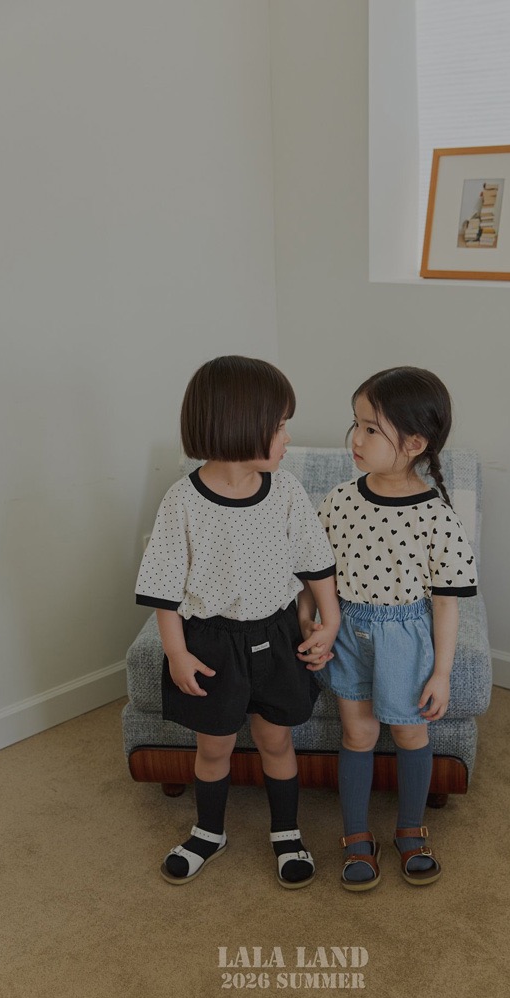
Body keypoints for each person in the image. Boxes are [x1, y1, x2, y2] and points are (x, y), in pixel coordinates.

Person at [135, 355, 340, 889]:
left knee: (276, 741)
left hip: (277, 637)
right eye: (280, 426)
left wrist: (330, 620)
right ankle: (208, 831)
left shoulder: (286, 491)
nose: (288, 438)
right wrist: (177, 653)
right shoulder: (182, 501)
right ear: (239, 425)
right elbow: (163, 588)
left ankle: (287, 833)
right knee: (213, 748)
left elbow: (316, 562)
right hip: (211, 644)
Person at [301, 367, 477, 891]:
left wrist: (441, 673)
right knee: (357, 733)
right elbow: (315, 574)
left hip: (407, 639)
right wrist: (309, 619)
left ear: (414, 444)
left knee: (409, 731)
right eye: (355, 424)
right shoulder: (338, 499)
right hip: (347, 632)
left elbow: (446, 604)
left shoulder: (437, 517)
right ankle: (356, 835)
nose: (356, 439)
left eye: (371, 429)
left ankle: (409, 829)